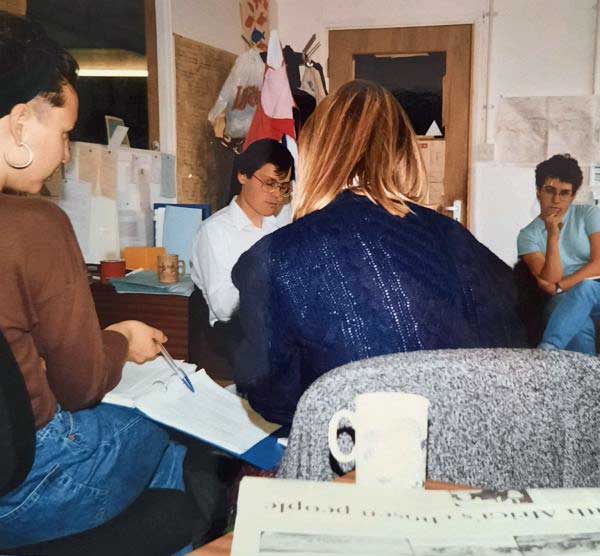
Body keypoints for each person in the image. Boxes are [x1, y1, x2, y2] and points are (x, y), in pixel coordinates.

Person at [232, 79, 527, 425]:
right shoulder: (456, 237)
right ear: (405, 153)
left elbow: (273, 400)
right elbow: (513, 352)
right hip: (466, 445)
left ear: (314, 153)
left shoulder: (274, 259)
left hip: (355, 451)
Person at [0, 12, 187, 547]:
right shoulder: (35, 224)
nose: (65, 155)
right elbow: (80, 386)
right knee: (171, 425)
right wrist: (122, 339)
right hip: (32, 482)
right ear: (19, 124)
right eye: (63, 134)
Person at [517, 154, 600, 355]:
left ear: (572, 196)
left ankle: (546, 352)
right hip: (564, 302)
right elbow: (551, 278)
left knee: (585, 288)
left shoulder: (590, 215)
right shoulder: (527, 235)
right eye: (549, 190)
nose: (556, 200)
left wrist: (559, 287)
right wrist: (552, 235)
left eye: (564, 193)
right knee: (578, 323)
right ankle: (586, 375)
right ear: (538, 191)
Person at [190, 139, 293, 348]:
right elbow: (224, 308)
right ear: (243, 175)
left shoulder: (279, 227)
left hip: (277, 329)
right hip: (236, 335)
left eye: (283, 187)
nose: (277, 195)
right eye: (269, 183)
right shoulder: (215, 231)